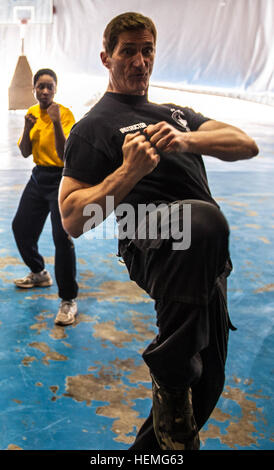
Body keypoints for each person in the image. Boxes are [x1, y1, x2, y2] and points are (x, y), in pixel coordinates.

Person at [58, 12, 259, 449]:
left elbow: (245, 143)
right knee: (203, 220)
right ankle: (168, 374)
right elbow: (73, 218)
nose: (139, 61)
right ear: (106, 58)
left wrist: (187, 139)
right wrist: (128, 173)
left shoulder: (175, 114)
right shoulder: (95, 127)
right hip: (154, 241)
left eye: (147, 50)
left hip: (206, 255)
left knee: (203, 391)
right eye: (127, 51)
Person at [12, 68, 78, 326]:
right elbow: (25, 152)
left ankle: (68, 300)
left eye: (50, 86)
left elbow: (65, 155)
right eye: (41, 86)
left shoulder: (65, 114)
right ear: (34, 89)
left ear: (56, 88)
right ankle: (39, 272)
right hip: (39, 177)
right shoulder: (31, 114)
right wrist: (27, 127)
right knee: (20, 227)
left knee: (61, 237)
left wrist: (56, 123)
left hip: (62, 178)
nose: (45, 91)